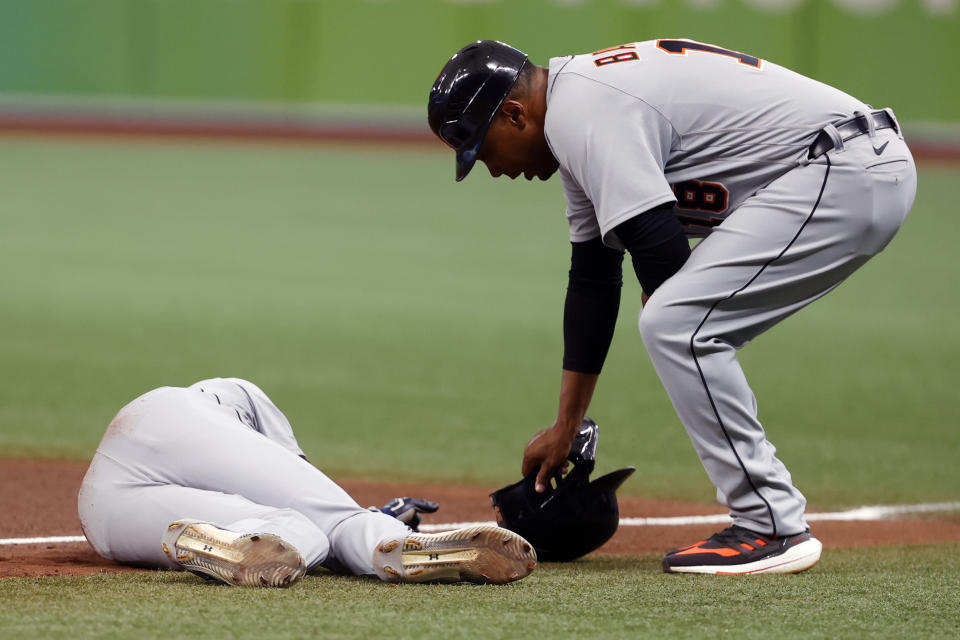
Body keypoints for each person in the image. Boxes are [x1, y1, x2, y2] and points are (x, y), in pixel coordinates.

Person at [428, 39, 917, 574]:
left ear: (515, 114)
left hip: (843, 169)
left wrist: (674, 308)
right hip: (845, 167)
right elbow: (593, 278)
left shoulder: (582, 112)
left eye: (484, 148)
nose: (493, 169)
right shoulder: (575, 120)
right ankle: (768, 517)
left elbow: (659, 250)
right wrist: (566, 424)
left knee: (677, 322)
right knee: (677, 318)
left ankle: (770, 523)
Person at [78, 377, 537, 587]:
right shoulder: (242, 395)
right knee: (328, 525)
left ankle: (231, 549)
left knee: (271, 532)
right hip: (168, 419)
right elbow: (306, 482)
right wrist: (372, 518)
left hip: (101, 514)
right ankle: (402, 545)